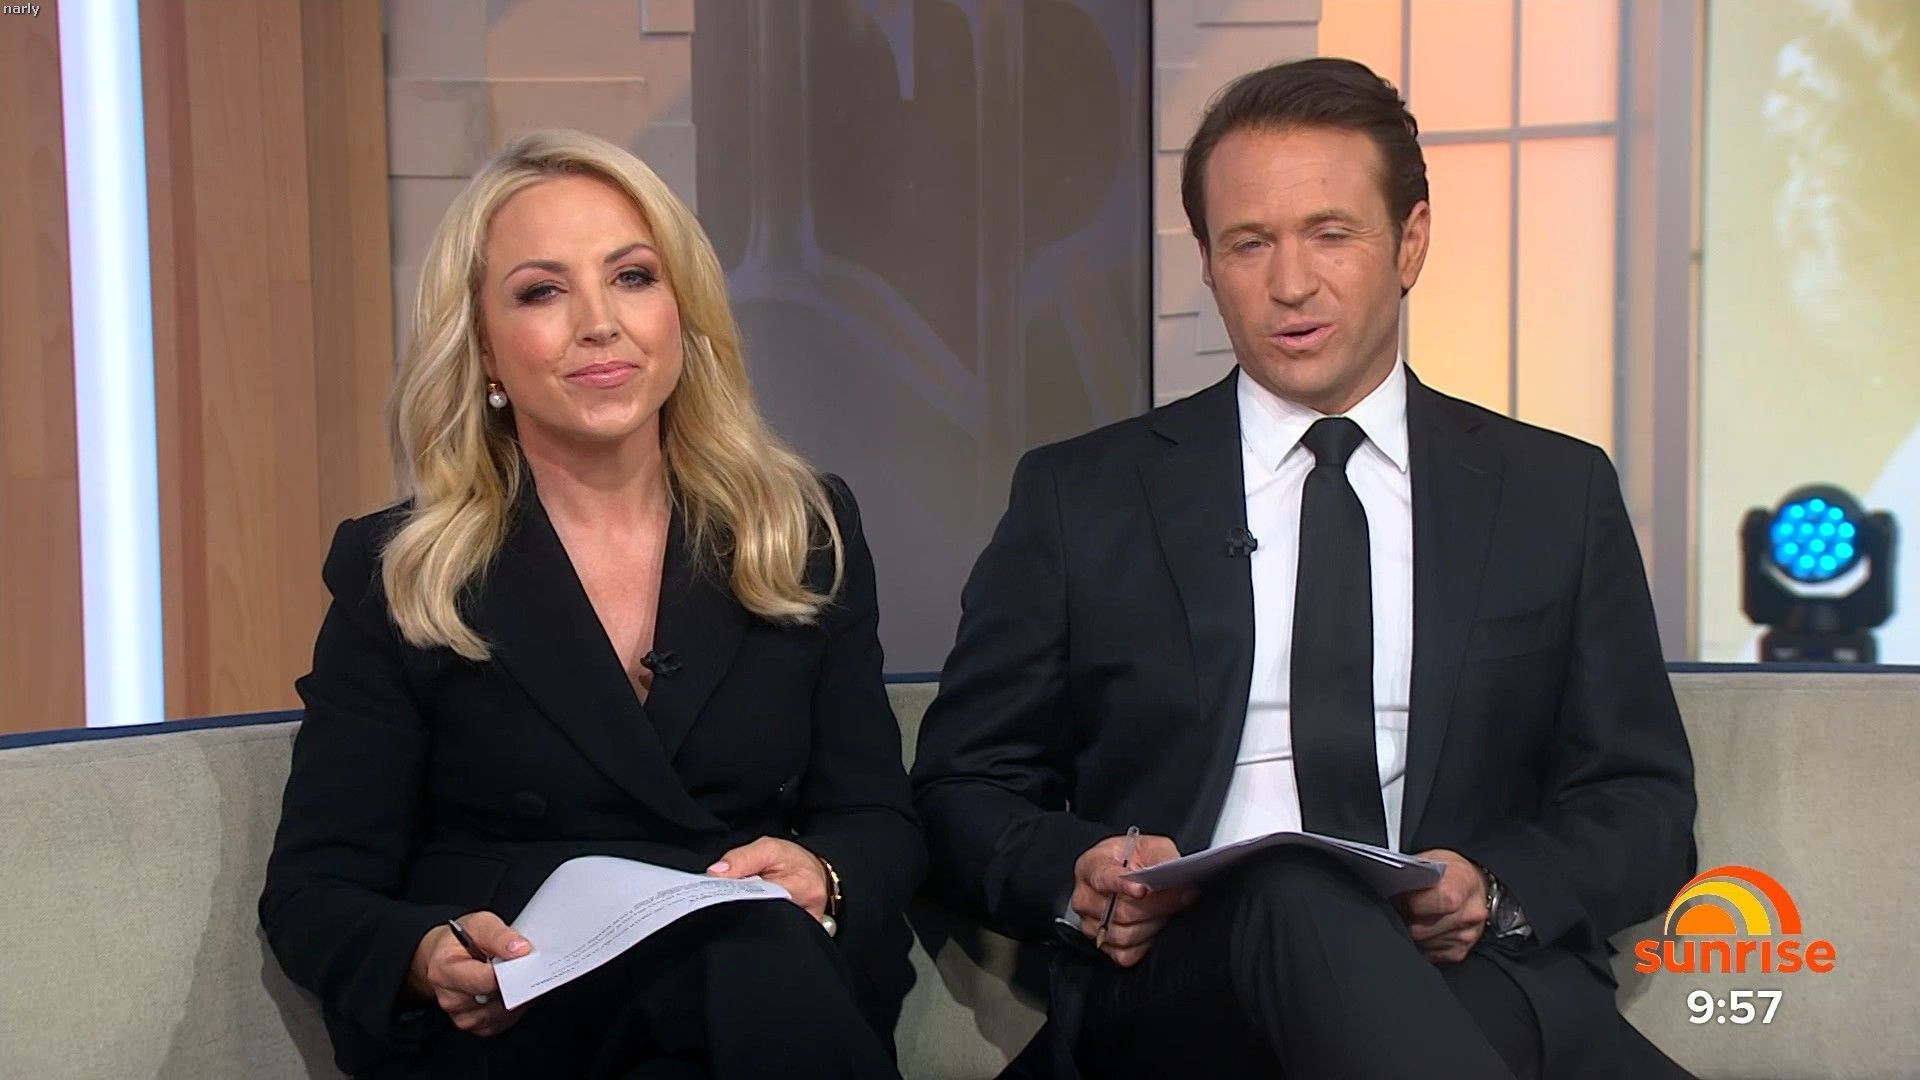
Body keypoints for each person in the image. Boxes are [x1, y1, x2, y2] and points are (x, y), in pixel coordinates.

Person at [910, 58, 1697, 1079]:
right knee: (1290, 887)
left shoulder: (1552, 491)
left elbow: (1641, 801)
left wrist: (1493, 887)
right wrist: (1078, 874)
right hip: (1181, 988)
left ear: (1410, 241)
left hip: (1461, 970)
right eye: (1249, 243)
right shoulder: (1083, 496)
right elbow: (963, 785)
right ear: (1207, 262)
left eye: (1330, 233)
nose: (1290, 284)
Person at [260, 129, 921, 1079]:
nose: (599, 323)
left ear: (682, 312)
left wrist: (825, 875)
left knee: (750, 952)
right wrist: (427, 954)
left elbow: (878, 820)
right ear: (484, 346)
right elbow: (315, 889)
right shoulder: (400, 569)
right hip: (527, 1026)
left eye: (633, 277)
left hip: (756, 1003)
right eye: (542, 291)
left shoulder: (801, 530)